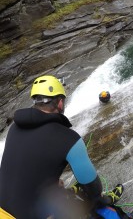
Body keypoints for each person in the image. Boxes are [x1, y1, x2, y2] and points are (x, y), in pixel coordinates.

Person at [0, 75, 123, 219]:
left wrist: (50, 183)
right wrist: (99, 198)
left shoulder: (15, 128)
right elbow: (92, 185)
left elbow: (23, 167)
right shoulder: (69, 139)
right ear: (59, 103)